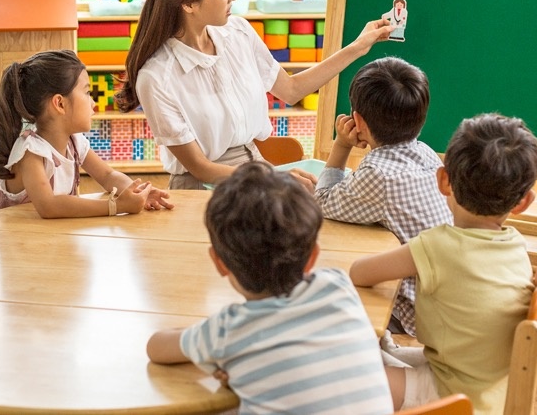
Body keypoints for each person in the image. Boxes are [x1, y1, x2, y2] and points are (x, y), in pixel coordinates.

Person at [115, 0, 393, 189]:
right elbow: (200, 168)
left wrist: (358, 47)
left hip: (258, 170)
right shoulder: (157, 77)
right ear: (189, 4)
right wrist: (274, 176)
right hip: (204, 188)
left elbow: (292, 89)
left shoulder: (238, 32)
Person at [146, 161, 393, 414]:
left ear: (219, 263)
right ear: (313, 257)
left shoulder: (228, 331)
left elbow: (156, 347)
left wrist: (224, 352)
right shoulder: (338, 286)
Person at [349, 114, 537, 414]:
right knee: (373, 348)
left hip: (452, 392)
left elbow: (360, 273)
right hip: (486, 387)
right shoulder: (516, 245)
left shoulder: (437, 245)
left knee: (347, 377)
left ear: (443, 180)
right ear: (523, 202)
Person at [314, 56, 452, 337]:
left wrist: (341, 144)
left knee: (326, 294)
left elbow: (322, 201)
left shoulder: (379, 174)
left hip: (414, 318)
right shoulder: (424, 152)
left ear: (358, 121)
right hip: (445, 305)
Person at [0, 49, 173, 217]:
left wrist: (137, 192)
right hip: (13, 246)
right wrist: (115, 206)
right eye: (87, 92)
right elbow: (49, 206)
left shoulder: (74, 142)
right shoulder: (31, 153)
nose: (93, 103)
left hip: (44, 241)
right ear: (60, 104)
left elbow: (108, 176)